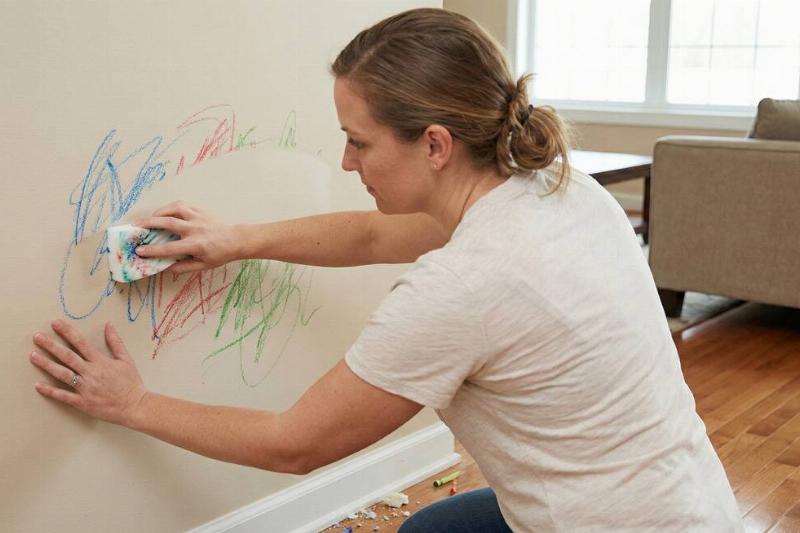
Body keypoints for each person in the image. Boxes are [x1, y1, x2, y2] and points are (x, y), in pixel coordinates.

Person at [29, 8, 743, 532]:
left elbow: (296, 441)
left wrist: (131, 402)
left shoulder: (466, 284)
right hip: (688, 504)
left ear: (434, 145)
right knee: (434, 529)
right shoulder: (555, 185)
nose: (346, 162)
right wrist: (236, 237)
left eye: (357, 142)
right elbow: (372, 235)